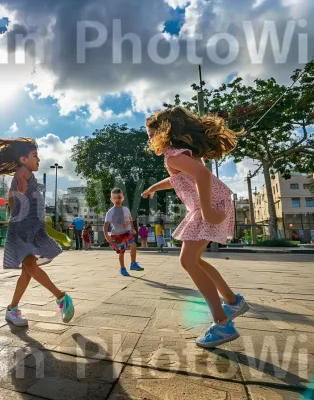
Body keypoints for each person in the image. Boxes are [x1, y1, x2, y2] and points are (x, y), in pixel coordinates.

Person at [142, 106, 249, 348]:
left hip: (208, 208)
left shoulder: (173, 155)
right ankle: (232, 301)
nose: (149, 141)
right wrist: (153, 188)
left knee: (188, 261)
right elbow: (178, 179)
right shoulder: (181, 155)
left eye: (150, 135)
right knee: (194, 260)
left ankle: (222, 324)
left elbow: (201, 176)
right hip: (209, 206)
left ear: (163, 133)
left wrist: (208, 211)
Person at [0, 134, 74, 327]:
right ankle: (60, 296)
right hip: (22, 230)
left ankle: (12, 309)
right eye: (35, 155)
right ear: (23, 159)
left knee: (27, 271)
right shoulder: (23, 172)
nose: (38, 159)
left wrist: (20, 203)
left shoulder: (27, 173)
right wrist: (21, 188)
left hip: (27, 227)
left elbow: (12, 200)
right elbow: (18, 182)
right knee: (30, 266)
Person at [103, 188, 144, 277]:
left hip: (127, 232)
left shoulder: (126, 209)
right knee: (122, 252)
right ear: (111, 199)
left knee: (133, 244)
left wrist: (132, 228)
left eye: (119, 197)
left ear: (123, 198)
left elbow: (130, 219)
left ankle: (133, 263)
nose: (117, 200)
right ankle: (122, 268)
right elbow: (106, 226)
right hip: (117, 235)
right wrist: (107, 237)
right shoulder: (110, 212)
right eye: (114, 198)